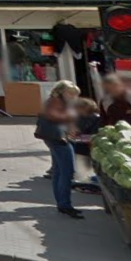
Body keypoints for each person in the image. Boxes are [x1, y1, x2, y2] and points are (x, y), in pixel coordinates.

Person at [35, 81, 82, 218]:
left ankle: (61, 203)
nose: (73, 97)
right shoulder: (55, 102)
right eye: (71, 93)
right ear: (61, 91)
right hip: (58, 138)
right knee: (67, 171)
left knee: (58, 170)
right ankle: (65, 204)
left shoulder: (54, 101)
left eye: (75, 94)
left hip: (54, 137)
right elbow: (55, 117)